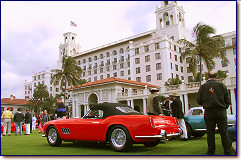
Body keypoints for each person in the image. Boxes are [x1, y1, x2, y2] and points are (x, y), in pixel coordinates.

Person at [197, 71, 232, 155]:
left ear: (208, 76)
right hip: (221, 111)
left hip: (209, 112)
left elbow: (199, 101)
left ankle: (210, 152)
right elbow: (227, 100)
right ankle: (227, 151)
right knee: (224, 132)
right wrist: (223, 107)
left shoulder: (203, 87)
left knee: (210, 133)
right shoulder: (222, 85)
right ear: (216, 76)